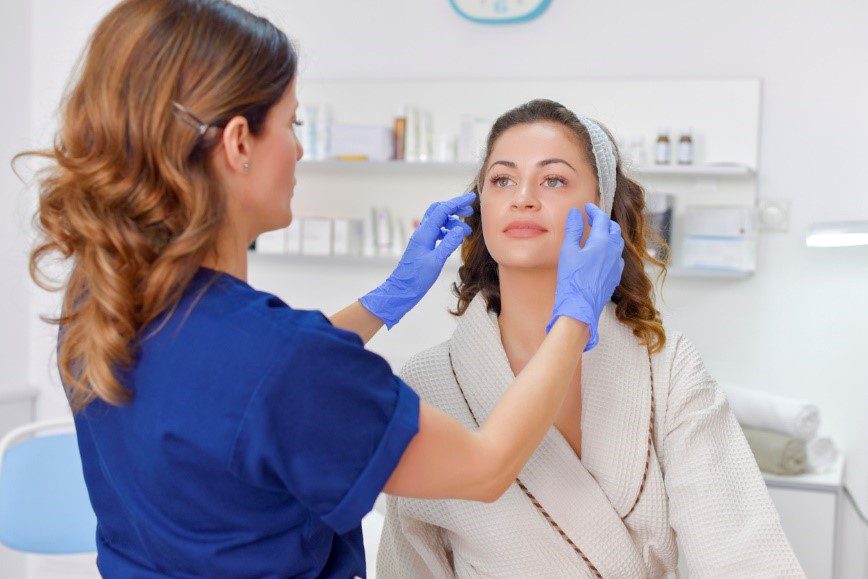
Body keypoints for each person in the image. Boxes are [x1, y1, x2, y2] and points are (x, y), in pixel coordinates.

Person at [21, 3, 624, 577]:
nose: (300, 149)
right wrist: (576, 312)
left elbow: (234, 394)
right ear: (237, 144)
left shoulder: (100, 302)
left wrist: (383, 301)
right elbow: (486, 466)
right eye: (292, 123)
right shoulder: (285, 362)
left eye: (552, 180)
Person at [377, 99, 804, 577]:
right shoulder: (431, 382)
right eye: (501, 179)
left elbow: (740, 550)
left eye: (553, 179)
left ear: (601, 209)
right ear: (481, 206)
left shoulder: (664, 367)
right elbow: (408, 562)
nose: (523, 197)